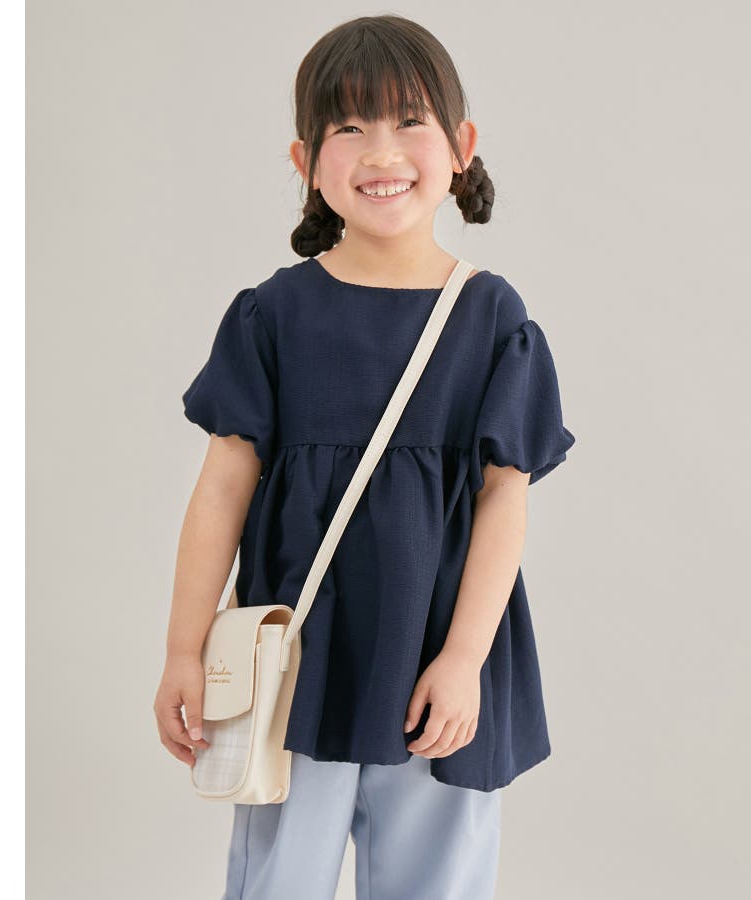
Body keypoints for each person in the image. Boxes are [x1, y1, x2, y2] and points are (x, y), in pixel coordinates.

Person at [153, 13, 576, 900]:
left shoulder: (491, 318)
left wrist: (464, 659)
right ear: (306, 162)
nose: (381, 152)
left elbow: (505, 498)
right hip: (297, 663)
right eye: (349, 127)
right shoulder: (274, 315)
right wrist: (184, 651)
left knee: (437, 880)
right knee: (279, 880)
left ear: (460, 146)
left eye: (409, 121)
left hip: (435, 657)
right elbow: (222, 488)